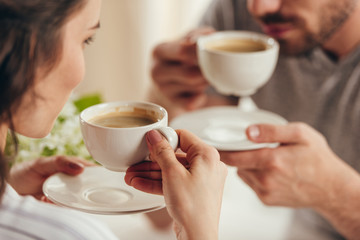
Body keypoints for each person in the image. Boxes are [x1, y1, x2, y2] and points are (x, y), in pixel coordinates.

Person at [0, 0, 227, 239]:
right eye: (85, 40)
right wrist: (201, 229)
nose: (81, 75)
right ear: (27, 47)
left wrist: (11, 191)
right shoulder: (73, 234)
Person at [148, 0, 360, 239]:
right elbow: (160, 213)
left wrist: (335, 193)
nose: (258, 8)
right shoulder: (238, 13)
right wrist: (168, 101)